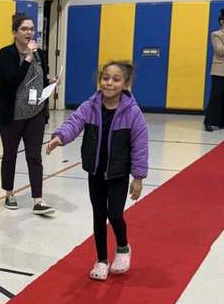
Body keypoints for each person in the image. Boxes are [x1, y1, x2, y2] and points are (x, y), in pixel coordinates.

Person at [46, 61, 148, 281]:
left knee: (115, 214)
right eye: (106, 78)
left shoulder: (133, 113)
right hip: (95, 171)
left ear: (125, 84)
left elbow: (140, 146)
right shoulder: (90, 106)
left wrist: (138, 178)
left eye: (116, 79)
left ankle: (122, 248)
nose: (109, 83)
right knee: (99, 215)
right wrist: (60, 137)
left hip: (118, 173)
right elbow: (73, 123)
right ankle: (101, 260)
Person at [0, 13, 55, 216]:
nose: (29, 32)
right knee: (10, 156)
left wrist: (51, 82)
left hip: (35, 114)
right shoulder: (5, 55)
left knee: (34, 157)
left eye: (31, 29)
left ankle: (38, 199)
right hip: (12, 116)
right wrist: (28, 58)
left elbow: (40, 78)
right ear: (15, 33)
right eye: (24, 29)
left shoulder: (41, 53)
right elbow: (12, 80)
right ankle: (9, 193)